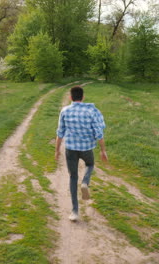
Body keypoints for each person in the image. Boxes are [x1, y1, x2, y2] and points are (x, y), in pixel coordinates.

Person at [55, 86, 108, 221]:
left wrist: (57, 150)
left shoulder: (65, 111)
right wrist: (103, 150)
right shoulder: (91, 111)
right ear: (83, 97)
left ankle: (74, 212)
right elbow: (99, 133)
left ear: (70, 97)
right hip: (86, 148)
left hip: (71, 149)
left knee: (73, 177)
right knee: (90, 165)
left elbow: (60, 133)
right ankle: (85, 182)